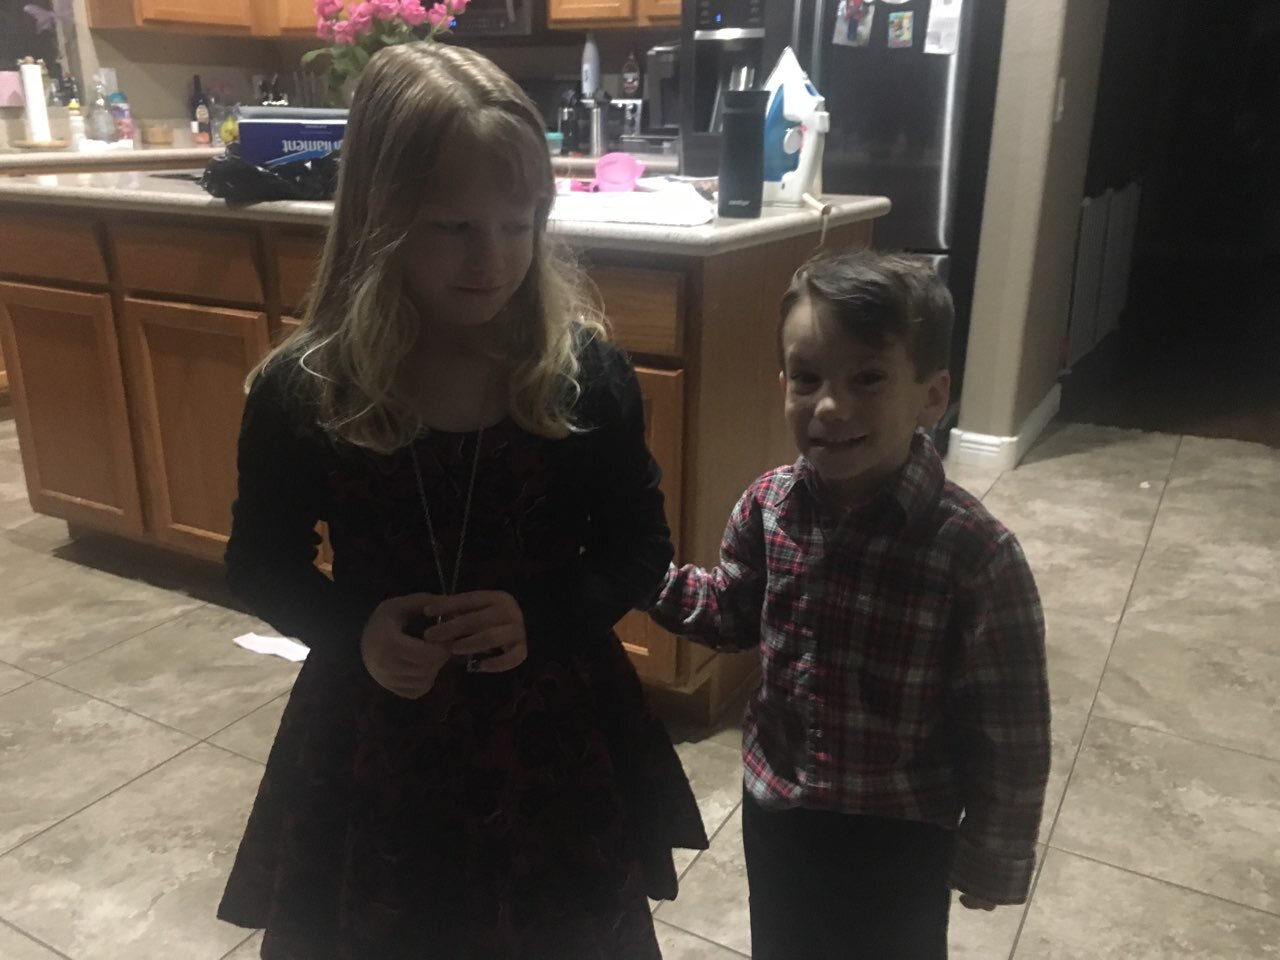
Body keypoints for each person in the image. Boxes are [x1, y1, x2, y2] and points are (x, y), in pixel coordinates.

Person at [216, 42, 707, 960]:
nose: (494, 258)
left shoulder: (581, 374)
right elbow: (258, 561)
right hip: (374, 738)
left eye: (520, 225)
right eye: (453, 227)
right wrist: (352, 630)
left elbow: (639, 547)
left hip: (551, 737)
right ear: (379, 218)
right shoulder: (307, 389)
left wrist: (543, 616)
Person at [649, 251, 1051, 959]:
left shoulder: (975, 554)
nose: (830, 406)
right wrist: (638, 577)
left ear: (931, 395)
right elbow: (732, 612)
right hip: (780, 810)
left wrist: (996, 851)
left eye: (867, 378)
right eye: (807, 379)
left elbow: (1010, 726)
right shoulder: (768, 507)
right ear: (783, 384)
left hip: (901, 832)